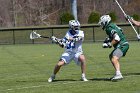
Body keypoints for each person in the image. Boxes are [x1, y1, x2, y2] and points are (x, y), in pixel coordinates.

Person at [98, 15, 129, 81]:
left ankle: (118, 74)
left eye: (102, 23)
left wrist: (109, 44)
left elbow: (117, 38)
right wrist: (109, 39)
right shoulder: (112, 25)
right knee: (111, 56)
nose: (101, 24)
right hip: (123, 44)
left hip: (122, 44)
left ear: (106, 22)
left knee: (114, 58)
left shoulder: (109, 27)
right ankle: (117, 73)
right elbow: (120, 31)